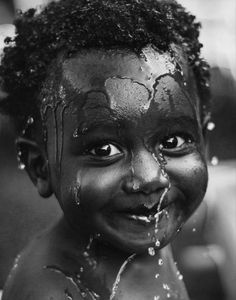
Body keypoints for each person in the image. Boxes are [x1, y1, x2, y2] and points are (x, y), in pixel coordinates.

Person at [0, 0, 211, 299]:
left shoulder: (143, 220)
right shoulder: (52, 290)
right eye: (104, 149)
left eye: (172, 142)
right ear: (40, 166)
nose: (152, 177)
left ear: (205, 140)